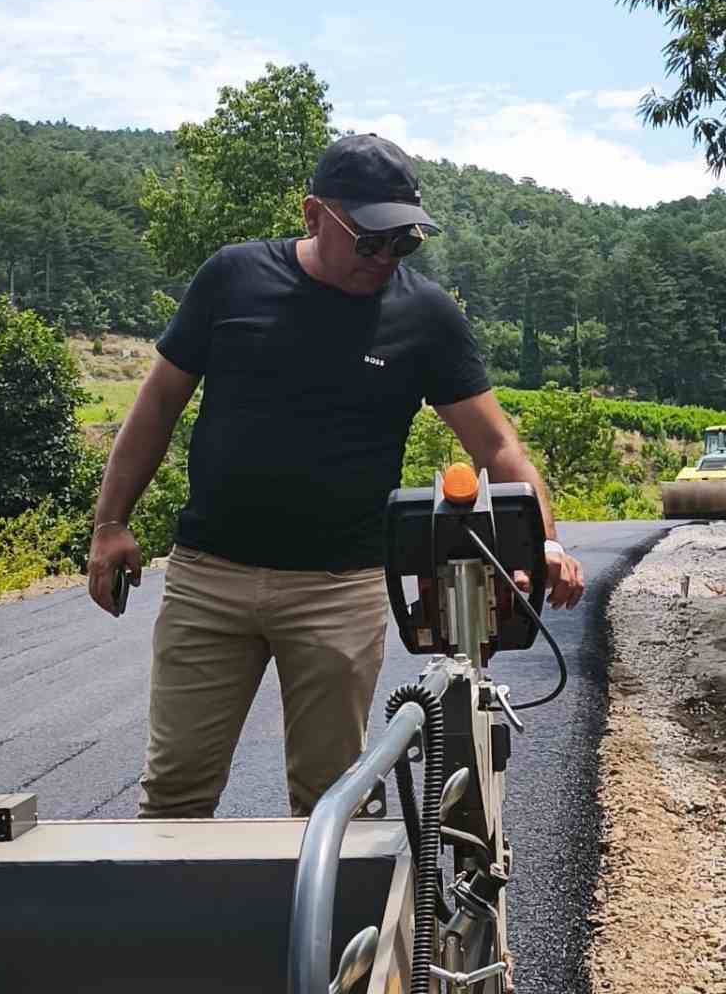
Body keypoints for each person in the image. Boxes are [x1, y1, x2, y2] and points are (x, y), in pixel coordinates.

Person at [87, 132, 585, 819]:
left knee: (333, 804)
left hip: (338, 590)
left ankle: (322, 929)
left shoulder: (424, 315)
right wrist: (111, 523)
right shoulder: (233, 279)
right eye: (370, 240)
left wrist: (543, 544)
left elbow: (498, 447)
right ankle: (179, 928)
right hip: (210, 579)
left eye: (402, 243)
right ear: (314, 215)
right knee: (175, 792)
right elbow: (158, 404)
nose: (385, 259)